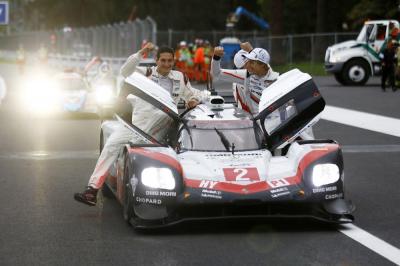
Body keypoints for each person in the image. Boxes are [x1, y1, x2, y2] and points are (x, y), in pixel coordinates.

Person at [74, 42, 209, 206]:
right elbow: (125, 71)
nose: (166, 64)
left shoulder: (180, 77)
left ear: (173, 62)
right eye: (163, 61)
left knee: (162, 122)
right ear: (157, 61)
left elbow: (197, 94)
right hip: (135, 125)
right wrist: (140, 54)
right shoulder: (146, 73)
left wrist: (194, 99)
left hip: (163, 124)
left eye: (169, 61)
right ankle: (92, 190)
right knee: (111, 146)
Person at [211, 42, 279, 115]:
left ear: (262, 64)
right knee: (237, 85)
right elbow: (217, 73)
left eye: (251, 62)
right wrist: (216, 58)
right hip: (255, 118)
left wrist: (251, 50)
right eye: (248, 61)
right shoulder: (246, 75)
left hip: (273, 116)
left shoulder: (275, 78)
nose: (247, 66)